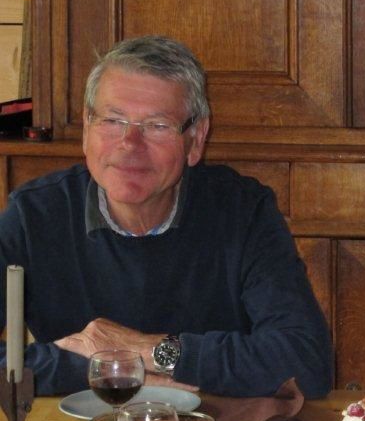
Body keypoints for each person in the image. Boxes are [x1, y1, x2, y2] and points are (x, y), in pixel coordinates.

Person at [0, 36, 333, 398]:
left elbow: (307, 363)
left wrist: (153, 350)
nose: (129, 144)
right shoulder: (35, 214)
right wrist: (109, 371)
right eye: (112, 120)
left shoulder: (243, 211)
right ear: (86, 128)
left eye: (156, 126)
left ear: (196, 138)